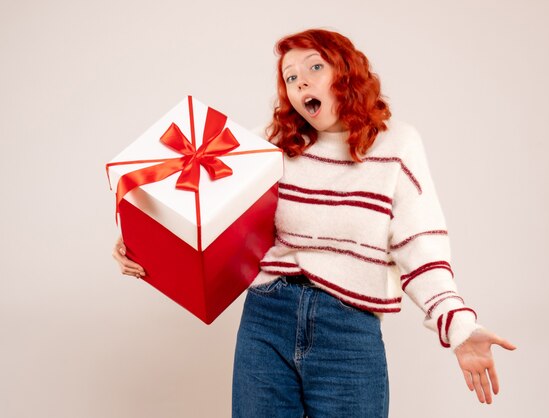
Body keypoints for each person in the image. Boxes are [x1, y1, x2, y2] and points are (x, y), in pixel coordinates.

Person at [113, 28, 515, 417]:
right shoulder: (276, 143)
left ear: (346, 72)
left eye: (313, 68)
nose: (301, 83)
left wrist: (459, 327)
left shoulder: (397, 145)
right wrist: (140, 237)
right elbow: (195, 191)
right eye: (291, 78)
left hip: (348, 329)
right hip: (267, 319)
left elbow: (419, 246)